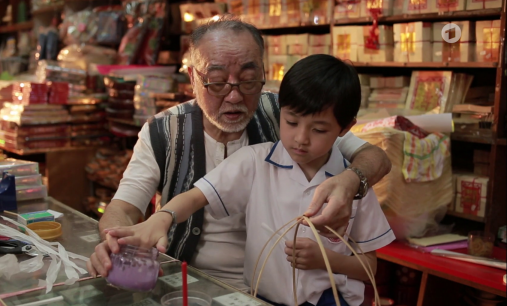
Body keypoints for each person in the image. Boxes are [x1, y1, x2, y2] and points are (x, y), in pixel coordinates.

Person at [87, 15, 392, 290]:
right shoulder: (163, 130)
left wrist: (352, 180)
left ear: (263, 72)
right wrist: (118, 242)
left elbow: (375, 158)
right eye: (217, 82)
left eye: (248, 81)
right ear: (193, 78)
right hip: (181, 278)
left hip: (269, 289)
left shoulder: (289, 115)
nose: (234, 96)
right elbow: (124, 207)